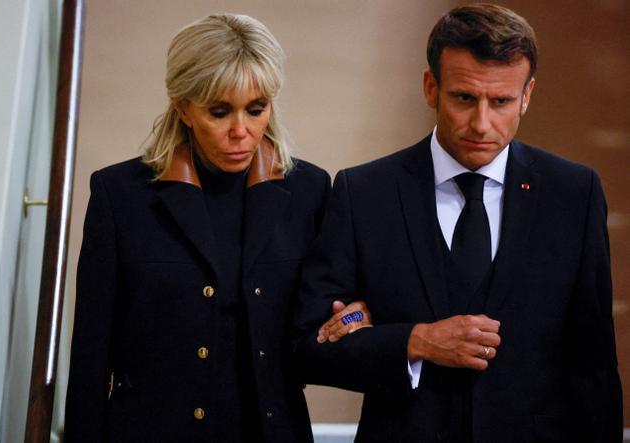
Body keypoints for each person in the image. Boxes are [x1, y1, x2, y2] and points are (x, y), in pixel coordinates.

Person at [295, 4, 622, 442]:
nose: (482, 124)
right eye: (465, 98)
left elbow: (593, 365)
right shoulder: (364, 192)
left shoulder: (574, 194)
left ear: (527, 95)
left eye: (501, 101)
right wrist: (415, 341)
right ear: (431, 87)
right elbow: (308, 347)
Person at [65, 13, 351, 442]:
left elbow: (322, 321)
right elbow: (92, 351)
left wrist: (351, 319)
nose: (242, 131)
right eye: (220, 112)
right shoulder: (119, 195)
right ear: (183, 107)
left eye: (257, 110)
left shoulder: (309, 190)